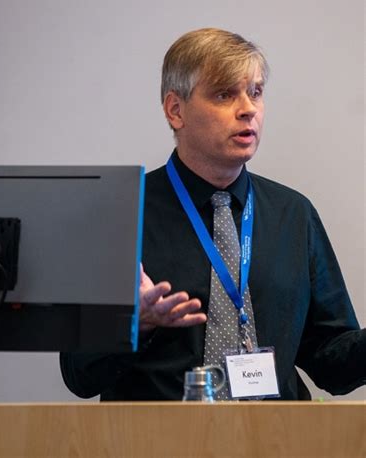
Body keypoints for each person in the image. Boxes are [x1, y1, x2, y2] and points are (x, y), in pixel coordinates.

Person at [60, 28, 365, 400]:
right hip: (157, 433)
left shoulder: (293, 214)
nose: (248, 109)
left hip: (277, 432)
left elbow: (331, 364)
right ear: (176, 110)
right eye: (224, 94)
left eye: (255, 92)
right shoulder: (119, 215)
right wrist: (135, 324)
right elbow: (78, 375)